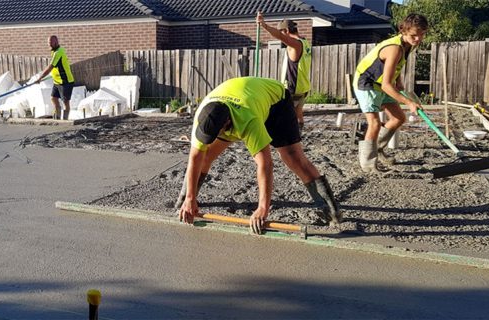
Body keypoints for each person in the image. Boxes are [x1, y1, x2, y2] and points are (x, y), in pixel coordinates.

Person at [176, 77, 341, 234]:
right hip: (244, 96)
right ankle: (185, 201)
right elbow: (195, 157)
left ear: (226, 125)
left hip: (276, 102)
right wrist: (190, 198)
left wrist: (263, 208)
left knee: (293, 157)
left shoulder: (248, 120)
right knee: (204, 157)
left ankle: (331, 211)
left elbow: (265, 164)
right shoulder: (203, 116)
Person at [353, 14, 428, 173]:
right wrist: (409, 102)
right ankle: (367, 164)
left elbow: (394, 66)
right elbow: (387, 85)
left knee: (399, 118)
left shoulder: (408, 44)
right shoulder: (394, 48)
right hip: (368, 83)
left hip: (382, 83)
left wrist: (399, 81)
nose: (417, 39)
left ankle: (377, 149)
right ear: (403, 31)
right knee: (373, 123)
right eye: (414, 35)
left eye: (421, 35)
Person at [256, 13, 311, 129]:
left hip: (293, 87)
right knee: (298, 112)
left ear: (286, 30)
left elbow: (280, 37)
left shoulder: (295, 45)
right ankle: (300, 132)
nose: (281, 36)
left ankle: (289, 136)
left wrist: (264, 25)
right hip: (303, 86)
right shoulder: (305, 42)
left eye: (281, 32)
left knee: (281, 115)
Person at [35, 35, 75, 120]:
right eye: (48, 43)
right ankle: (57, 116)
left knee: (65, 101)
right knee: (53, 98)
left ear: (56, 42)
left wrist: (40, 78)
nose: (49, 45)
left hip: (65, 81)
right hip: (57, 81)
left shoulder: (58, 52)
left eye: (51, 43)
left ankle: (65, 119)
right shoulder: (54, 52)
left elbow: (50, 67)